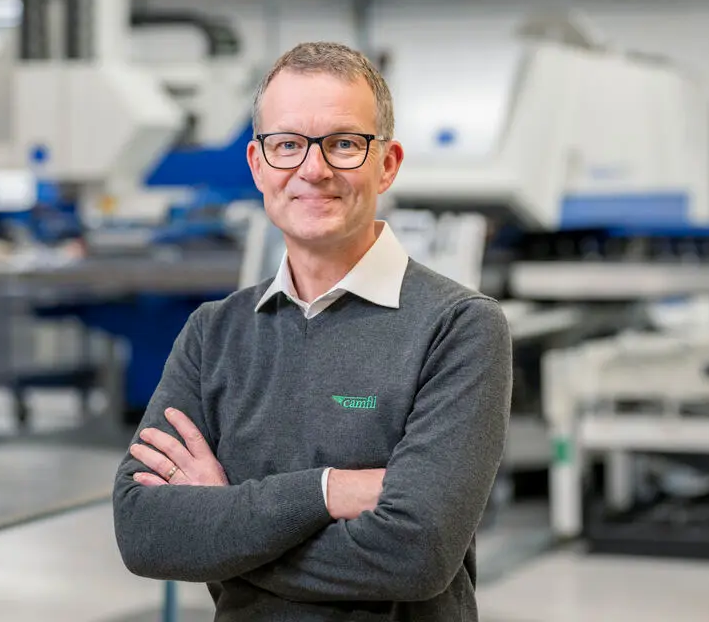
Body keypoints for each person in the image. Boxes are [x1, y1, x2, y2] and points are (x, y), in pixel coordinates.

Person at [112, 41, 513, 621]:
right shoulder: (213, 334)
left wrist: (224, 526)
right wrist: (330, 492)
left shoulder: (458, 327)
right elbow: (143, 532)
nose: (313, 169)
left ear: (388, 164)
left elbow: (418, 553)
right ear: (257, 164)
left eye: (345, 144)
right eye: (288, 145)